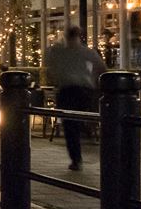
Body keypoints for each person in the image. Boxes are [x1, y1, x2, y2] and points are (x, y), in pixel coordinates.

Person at [43, 26, 104, 171]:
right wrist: (94, 81)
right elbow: (101, 68)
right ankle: (86, 133)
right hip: (84, 90)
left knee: (70, 125)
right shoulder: (86, 52)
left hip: (66, 90)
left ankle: (76, 158)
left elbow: (49, 64)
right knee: (80, 119)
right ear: (79, 36)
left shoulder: (59, 52)